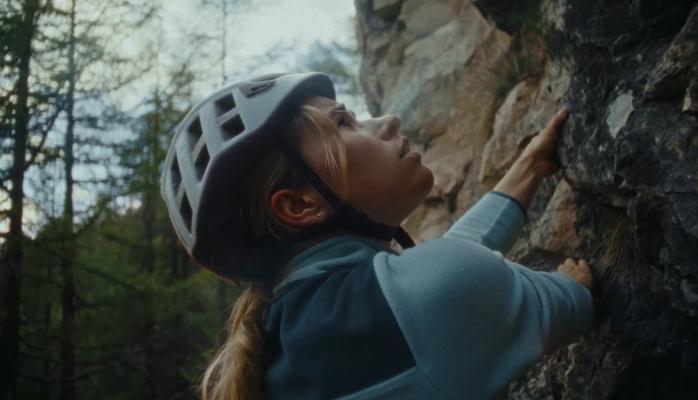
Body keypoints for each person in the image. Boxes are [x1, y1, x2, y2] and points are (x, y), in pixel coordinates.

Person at [160, 72, 593, 400]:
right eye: (344, 124)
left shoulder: (292, 338)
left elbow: (440, 276)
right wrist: (573, 282)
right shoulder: (426, 299)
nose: (388, 121)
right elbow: (572, 300)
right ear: (299, 206)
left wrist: (528, 169)